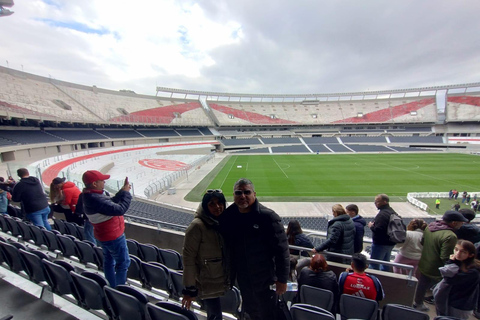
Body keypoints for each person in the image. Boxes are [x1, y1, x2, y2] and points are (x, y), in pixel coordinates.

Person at [220, 178, 289, 320]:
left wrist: (282, 279)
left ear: (254, 194)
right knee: (251, 312)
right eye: (238, 193)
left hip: (265, 279)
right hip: (243, 279)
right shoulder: (229, 216)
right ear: (233, 195)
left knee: (268, 314)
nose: (242, 196)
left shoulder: (268, 217)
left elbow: (282, 250)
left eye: (247, 192)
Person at [182, 190, 229, 320]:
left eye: (220, 203)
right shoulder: (196, 226)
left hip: (221, 278)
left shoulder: (222, 222)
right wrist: (189, 289)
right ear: (205, 206)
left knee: (216, 314)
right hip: (207, 281)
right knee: (215, 315)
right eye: (212, 204)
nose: (217, 207)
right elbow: (188, 259)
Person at [82, 170, 132, 287]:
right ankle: (119, 291)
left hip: (104, 235)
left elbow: (110, 202)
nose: (104, 182)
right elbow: (119, 209)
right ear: (94, 183)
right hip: (112, 236)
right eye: (102, 180)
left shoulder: (91, 195)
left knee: (109, 261)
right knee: (123, 263)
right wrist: (126, 193)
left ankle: (111, 286)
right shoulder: (95, 198)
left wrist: (122, 191)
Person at [413, 210, 468, 312]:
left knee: (422, 284)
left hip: (425, 262)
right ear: (454, 223)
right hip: (437, 268)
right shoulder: (450, 236)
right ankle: (442, 313)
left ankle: (417, 303)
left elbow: (422, 242)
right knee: (442, 292)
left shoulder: (430, 227)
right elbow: (445, 257)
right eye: (461, 222)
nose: (462, 224)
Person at [434, 240, 480, 319]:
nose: (458, 253)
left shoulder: (473, 271)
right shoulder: (458, 263)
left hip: (461, 305)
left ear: (470, 255)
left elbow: (450, 280)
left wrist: (450, 262)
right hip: (449, 299)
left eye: (463, 252)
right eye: (456, 249)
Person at [368, 194, 397, 271]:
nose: (375, 203)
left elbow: (378, 230)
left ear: (384, 202)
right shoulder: (392, 212)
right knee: (385, 264)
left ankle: (374, 281)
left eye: (377, 202)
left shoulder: (382, 214)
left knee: (374, 265)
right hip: (390, 242)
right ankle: (385, 280)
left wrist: (371, 226)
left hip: (381, 244)